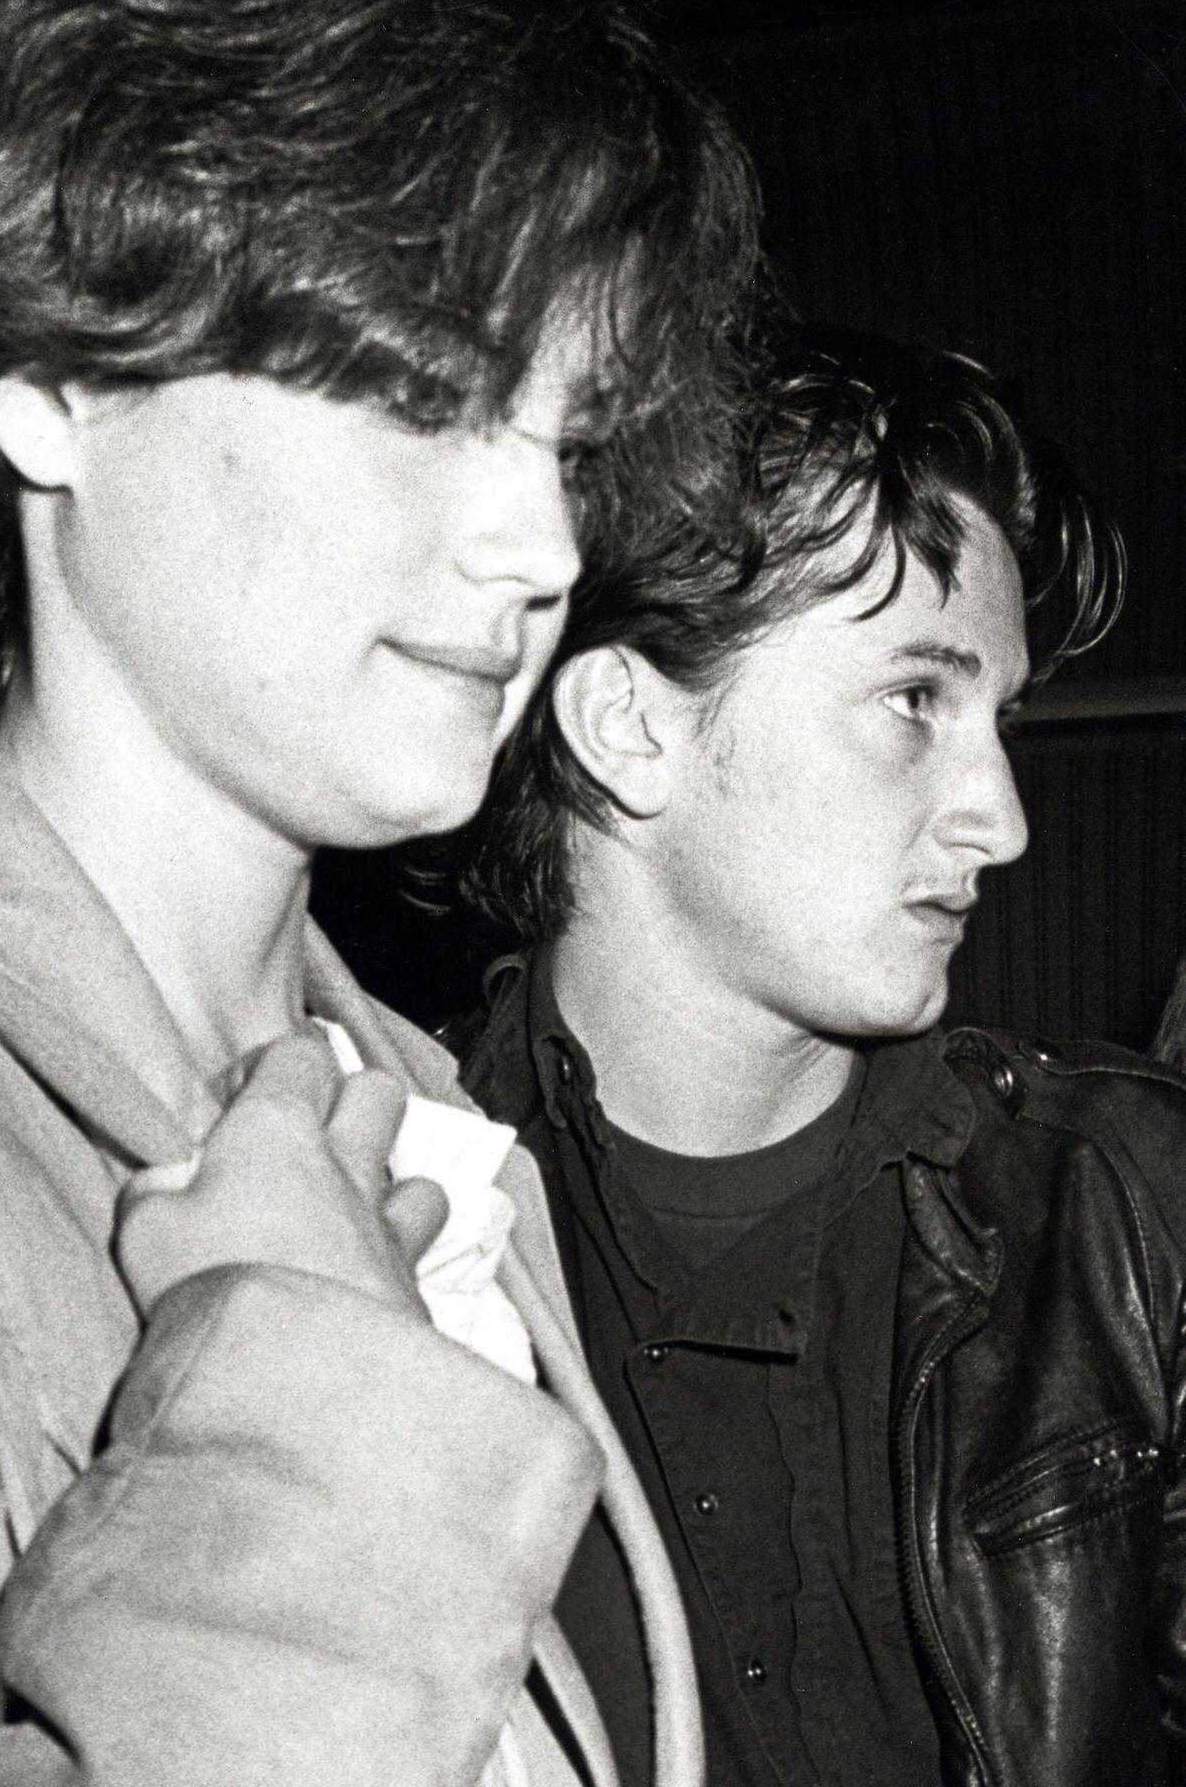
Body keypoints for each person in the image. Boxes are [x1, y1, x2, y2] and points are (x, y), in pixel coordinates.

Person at [0, 0, 761, 1780]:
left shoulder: (426, 1115)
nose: (543, 539)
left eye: (566, 436)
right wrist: (299, 1419)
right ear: (50, 379)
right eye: (423, 392)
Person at [449, 328, 1186, 1787]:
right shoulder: (393, 1237)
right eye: (916, 700)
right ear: (627, 729)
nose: (1004, 820)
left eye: (1002, 720)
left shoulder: (1137, 1202)